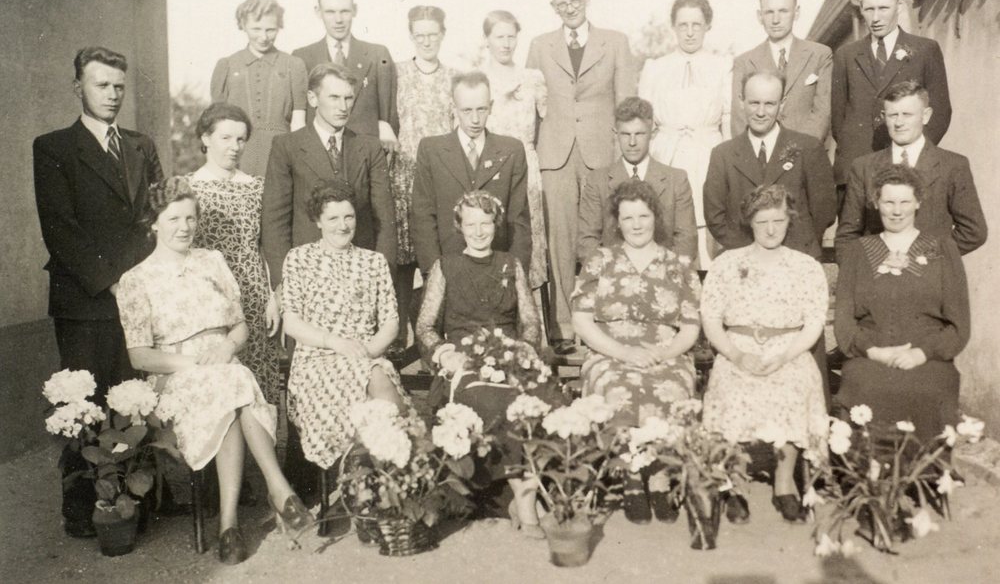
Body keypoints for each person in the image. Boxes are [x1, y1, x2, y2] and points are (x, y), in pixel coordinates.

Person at [116, 177, 311, 565]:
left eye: (190, 218)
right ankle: (278, 490)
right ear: (154, 223)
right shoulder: (136, 280)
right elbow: (140, 356)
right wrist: (194, 363)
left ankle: (229, 525)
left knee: (230, 386)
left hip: (223, 366)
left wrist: (226, 346)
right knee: (234, 383)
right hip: (175, 377)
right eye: (174, 219)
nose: (184, 227)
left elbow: (240, 326)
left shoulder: (212, 261)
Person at [33, 46, 163, 538]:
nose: (112, 94)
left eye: (118, 86)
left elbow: (153, 217)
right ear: (78, 88)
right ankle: (82, 506)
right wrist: (111, 280)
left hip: (135, 292)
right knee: (82, 404)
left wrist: (133, 280)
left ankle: (137, 501)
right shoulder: (54, 148)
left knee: (133, 398)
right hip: (84, 297)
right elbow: (60, 228)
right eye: (101, 85)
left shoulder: (141, 145)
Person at [416, 191, 553, 538]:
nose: (479, 232)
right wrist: (444, 353)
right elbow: (425, 326)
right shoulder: (446, 266)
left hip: (507, 353)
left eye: (486, 223)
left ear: (496, 225)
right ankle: (523, 499)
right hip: (464, 360)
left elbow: (530, 321)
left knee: (546, 397)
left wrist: (524, 347)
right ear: (459, 227)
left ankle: (527, 493)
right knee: (495, 400)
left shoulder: (511, 263)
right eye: (471, 224)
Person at [572, 180, 701, 523]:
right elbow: (581, 321)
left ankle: (659, 474)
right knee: (618, 389)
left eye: (643, 216)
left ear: (655, 217)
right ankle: (631, 473)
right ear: (617, 222)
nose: (637, 224)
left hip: (666, 352)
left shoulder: (678, 264)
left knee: (671, 387)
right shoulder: (601, 260)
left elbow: (691, 327)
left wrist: (663, 353)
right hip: (609, 352)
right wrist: (623, 353)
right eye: (628, 218)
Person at [701, 184, 829, 523]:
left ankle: (784, 483)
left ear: (790, 220)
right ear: (750, 223)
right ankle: (734, 483)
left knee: (795, 384)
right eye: (762, 222)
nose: (771, 230)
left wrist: (785, 356)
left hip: (788, 350)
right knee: (730, 386)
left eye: (778, 221)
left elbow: (814, 323)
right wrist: (735, 354)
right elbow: (711, 319)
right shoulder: (727, 263)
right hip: (737, 348)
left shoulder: (806, 267)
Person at [526, 0, 638, 355]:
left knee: (604, 237)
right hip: (554, 155)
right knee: (558, 242)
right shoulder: (540, 46)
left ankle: (604, 321)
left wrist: (624, 157)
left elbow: (626, 105)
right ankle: (561, 327)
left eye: (575, 0)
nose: (570, 8)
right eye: (562, 4)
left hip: (601, 153)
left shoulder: (615, 42)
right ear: (552, 5)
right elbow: (530, 108)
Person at [834, 164, 969, 443]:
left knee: (931, 387)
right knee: (862, 383)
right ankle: (866, 469)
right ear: (876, 203)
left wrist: (922, 353)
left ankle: (927, 469)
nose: (897, 211)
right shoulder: (858, 252)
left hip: (927, 358)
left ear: (918, 202)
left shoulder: (942, 249)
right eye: (889, 202)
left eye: (905, 202)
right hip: (871, 356)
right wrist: (874, 352)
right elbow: (844, 323)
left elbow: (959, 326)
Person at [280, 180, 407, 470]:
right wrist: (335, 343)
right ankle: (388, 479)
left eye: (348, 217)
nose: (343, 225)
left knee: (377, 378)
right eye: (333, 218)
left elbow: (391, 322)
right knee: (381, 389)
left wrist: (366, 352)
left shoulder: (374, 261)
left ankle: (376, 478)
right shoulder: (299, 258)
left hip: (367, 355)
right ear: (318, 221)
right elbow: (292, 322)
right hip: (316, 360)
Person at [262, 63, 396, 296]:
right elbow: (275, 221)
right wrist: (283, 283)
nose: (343, 107)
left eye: (348, 98)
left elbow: (384, 219)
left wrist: (382, 279)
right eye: (334, 97)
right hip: (306, 277)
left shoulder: (369, 148)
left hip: (361, 277)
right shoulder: (287, 147)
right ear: (312, 99)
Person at [188, 103, 281, 404]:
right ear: (206, 138)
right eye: (226, 138)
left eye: (241, 139)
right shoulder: (189, 188)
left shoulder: (257, 188)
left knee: (258, 380)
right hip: (209, 298)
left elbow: (268, 245)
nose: (235, 147)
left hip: (253, 297)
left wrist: (273, 296)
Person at [835, 80, 986, 261]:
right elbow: (847, 234)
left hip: (930, 272)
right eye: (893, 115)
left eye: (907, 114)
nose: (899, 123)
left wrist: (926, 258)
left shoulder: (953, 165)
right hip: (877, 272)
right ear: (884, 116)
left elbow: (974, 231)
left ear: (926, 116)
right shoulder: (863, 167)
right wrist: (863, 269)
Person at [831, 0, 951, 190]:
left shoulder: (925, 50)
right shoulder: (845, 55)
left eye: (883, 8)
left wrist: (913, 154)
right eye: (869, 9)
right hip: (856, 170)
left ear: (899, 4)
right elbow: (838, 121)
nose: (875, 18)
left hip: (909, 168)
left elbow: (940, 113)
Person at [639, 0, 732, 268]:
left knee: (707, 229)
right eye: (683, 25)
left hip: (708, 155)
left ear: (707, 26)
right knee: (667, 228)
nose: (690, 32)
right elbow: (644, 123)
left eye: (696, 25)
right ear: (674, 27)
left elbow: (727, 119)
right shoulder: (655, 68)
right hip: (667, 155)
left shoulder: (722, 66)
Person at [705, 71, 837, 259]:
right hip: (744, 259)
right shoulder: (723, 154)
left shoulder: (808, 148)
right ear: (741, 101)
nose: (760, 112)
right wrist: (749, 253)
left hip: (797, 257)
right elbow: (715, 217)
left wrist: (797, 250)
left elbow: (824, 211)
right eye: (754, 103)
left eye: (769, 104)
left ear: (782, 104)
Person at [411, 71, 531, 276]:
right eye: (467, 110)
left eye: (481, 109)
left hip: (498, 273)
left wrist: (514, 275)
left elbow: (518, 222)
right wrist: (434, 275)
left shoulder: (512, 150)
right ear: (453, 109)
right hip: (448, 272)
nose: (475, 119)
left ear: (491, 106)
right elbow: (423, 218)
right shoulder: (431, 150)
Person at [392, 5, 455, 355]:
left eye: (433, 34)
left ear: (443, 34)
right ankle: (400, 339)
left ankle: (437, 339)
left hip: (441, 178)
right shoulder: (397, 73)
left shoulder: (454, 77)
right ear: (411, 36)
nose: (427, 41)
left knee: (438, 259)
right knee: (404, 261)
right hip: (404, 175)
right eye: (420, 35)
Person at [481, 10, 549, 315]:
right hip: (491, 170)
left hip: (527, 171)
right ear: (487, 40)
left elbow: (546, 126)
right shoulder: (479, 78)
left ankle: (533, 323)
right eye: (499, 37)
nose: (506, 43)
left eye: (511, 36)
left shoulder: (532, 78)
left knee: (527, 244)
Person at [578, 96, 697, 263]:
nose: (632, 142)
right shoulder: (597, 181)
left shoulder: (676, 180)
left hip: (664, 274)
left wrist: (660, 273)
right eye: (625, 134)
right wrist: (617, 273)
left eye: (639, 134)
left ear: (652, 134)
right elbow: (586, 242)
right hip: (612, 274)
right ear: (615, 134)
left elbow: (687, 242)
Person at [209, 0, 308, 177]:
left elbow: (298, 122)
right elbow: (217, 127)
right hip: (238, 155)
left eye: (270, 30)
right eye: (256, 29)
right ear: (243, 25)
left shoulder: (294, 65)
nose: (263, 37)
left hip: (281, 153)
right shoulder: (227, 66)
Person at [293, 0, 398, 148]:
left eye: (345, 11)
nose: (338, 20)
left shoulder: (378, 55)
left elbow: (389, 115)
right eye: (330, 12)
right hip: (319, 153)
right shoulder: (301, 57)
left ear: (354, 10)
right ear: (318, 12)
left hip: (366, 153)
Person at [731, 0, 833, 143]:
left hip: (808, 150)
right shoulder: (744, 62)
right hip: (760, 154)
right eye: (769, 12)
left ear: (796, 13)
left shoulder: (820, 55)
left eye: (783, 11)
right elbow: (740, 120)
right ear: (760, 16)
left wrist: (800, 150)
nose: (776, 20)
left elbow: (822, 112)